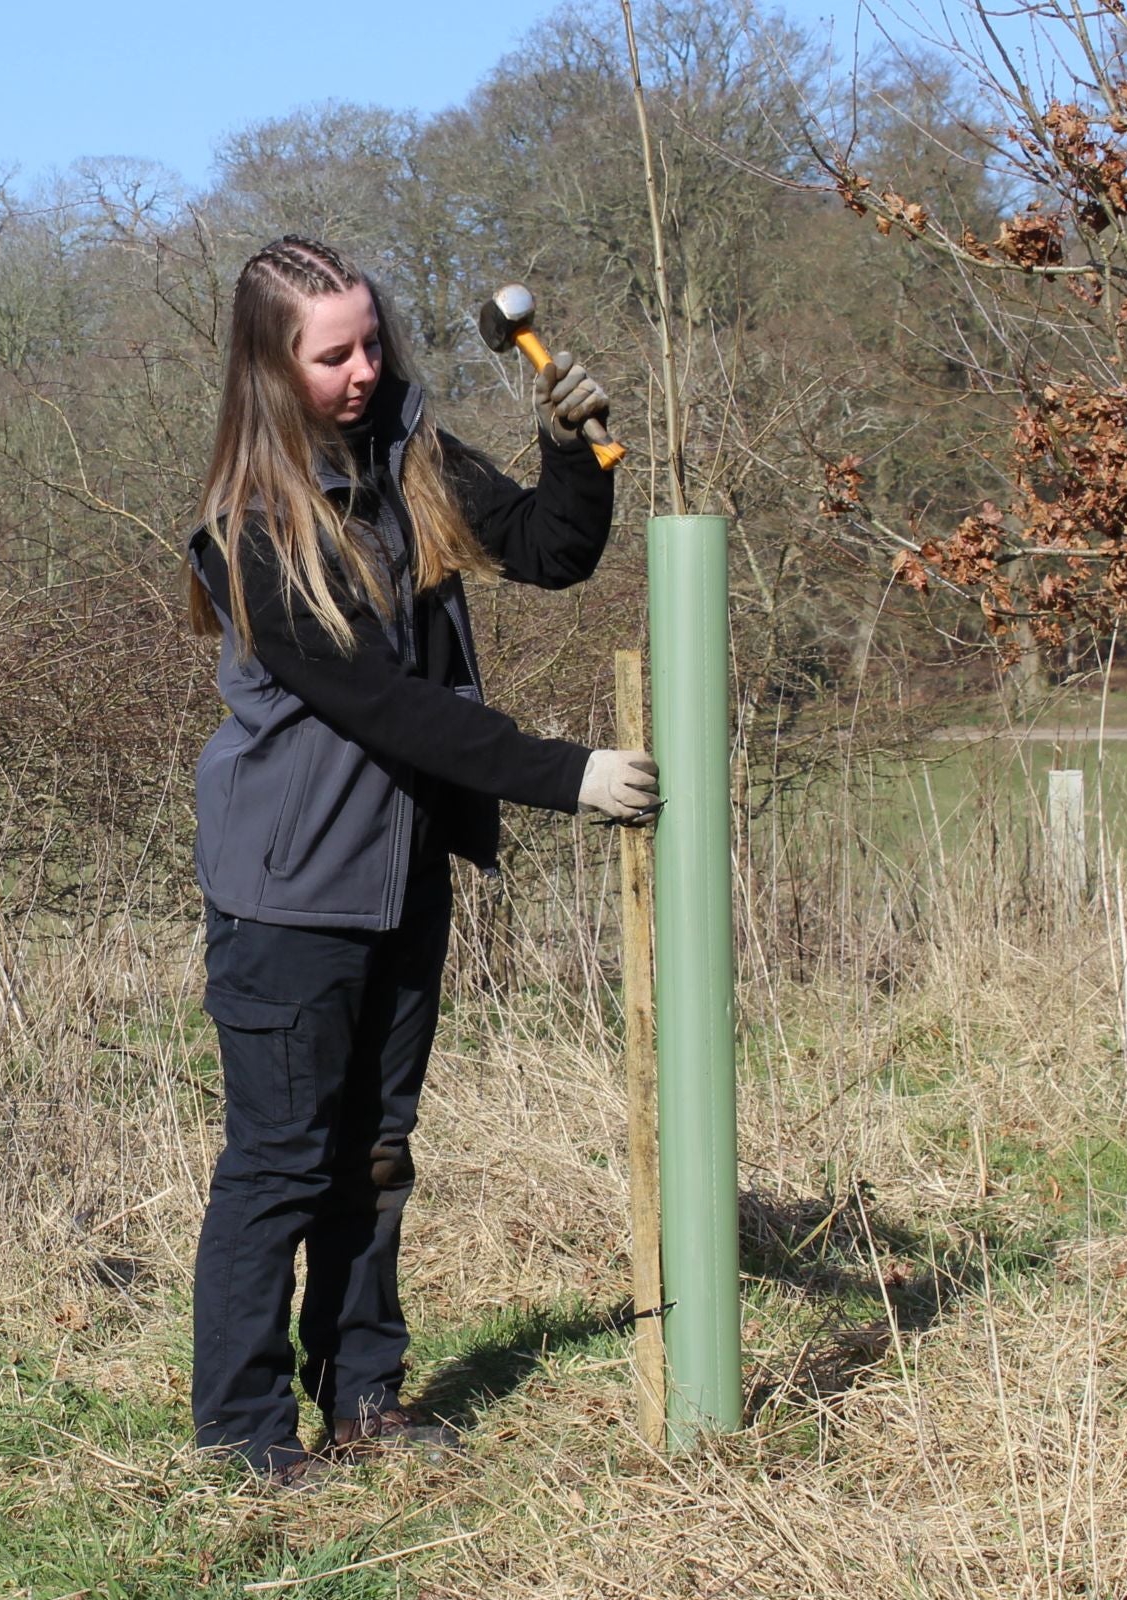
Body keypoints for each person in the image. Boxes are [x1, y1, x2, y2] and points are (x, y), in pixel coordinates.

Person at [184, 236, 660, 1484]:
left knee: (378, 1151)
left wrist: (576, 451)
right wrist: (569, 776)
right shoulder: (248, 533)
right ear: (270, 370)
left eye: (370, 342)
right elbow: (391, 708)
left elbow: (555, 551)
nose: (359, 370)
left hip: (403, 877)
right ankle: (243, 1436)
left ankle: (363, 1396)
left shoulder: (414, 458)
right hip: (289, 897)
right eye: (329, 353)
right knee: (283, 1164)